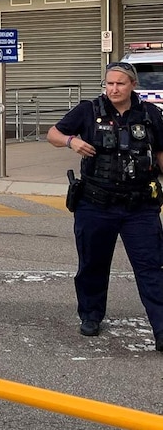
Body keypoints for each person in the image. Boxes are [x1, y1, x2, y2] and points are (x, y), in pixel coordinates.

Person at [46, 61, 163, 349]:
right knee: (93, 264)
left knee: (151, 267)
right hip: (96, 204)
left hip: (140, 207)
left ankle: (161, 329)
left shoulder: (150, 114)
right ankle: (91, 315)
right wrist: (71, 141)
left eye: (120, 83)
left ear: (133, 85)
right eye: (109, 83)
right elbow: (53, 134)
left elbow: (160, 151)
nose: (113, 89)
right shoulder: (89, 110)